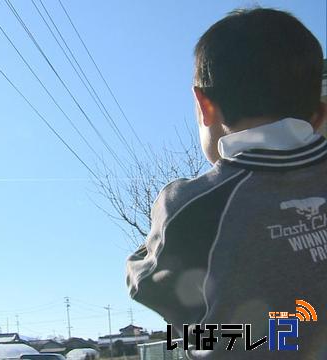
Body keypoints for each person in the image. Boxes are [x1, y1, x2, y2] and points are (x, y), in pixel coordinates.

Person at [125, 7, 326, 359]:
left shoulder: (189, 204)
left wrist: (141, 255)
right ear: (319, 113)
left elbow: (147, 284)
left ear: (204, 105)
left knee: (194, 338)